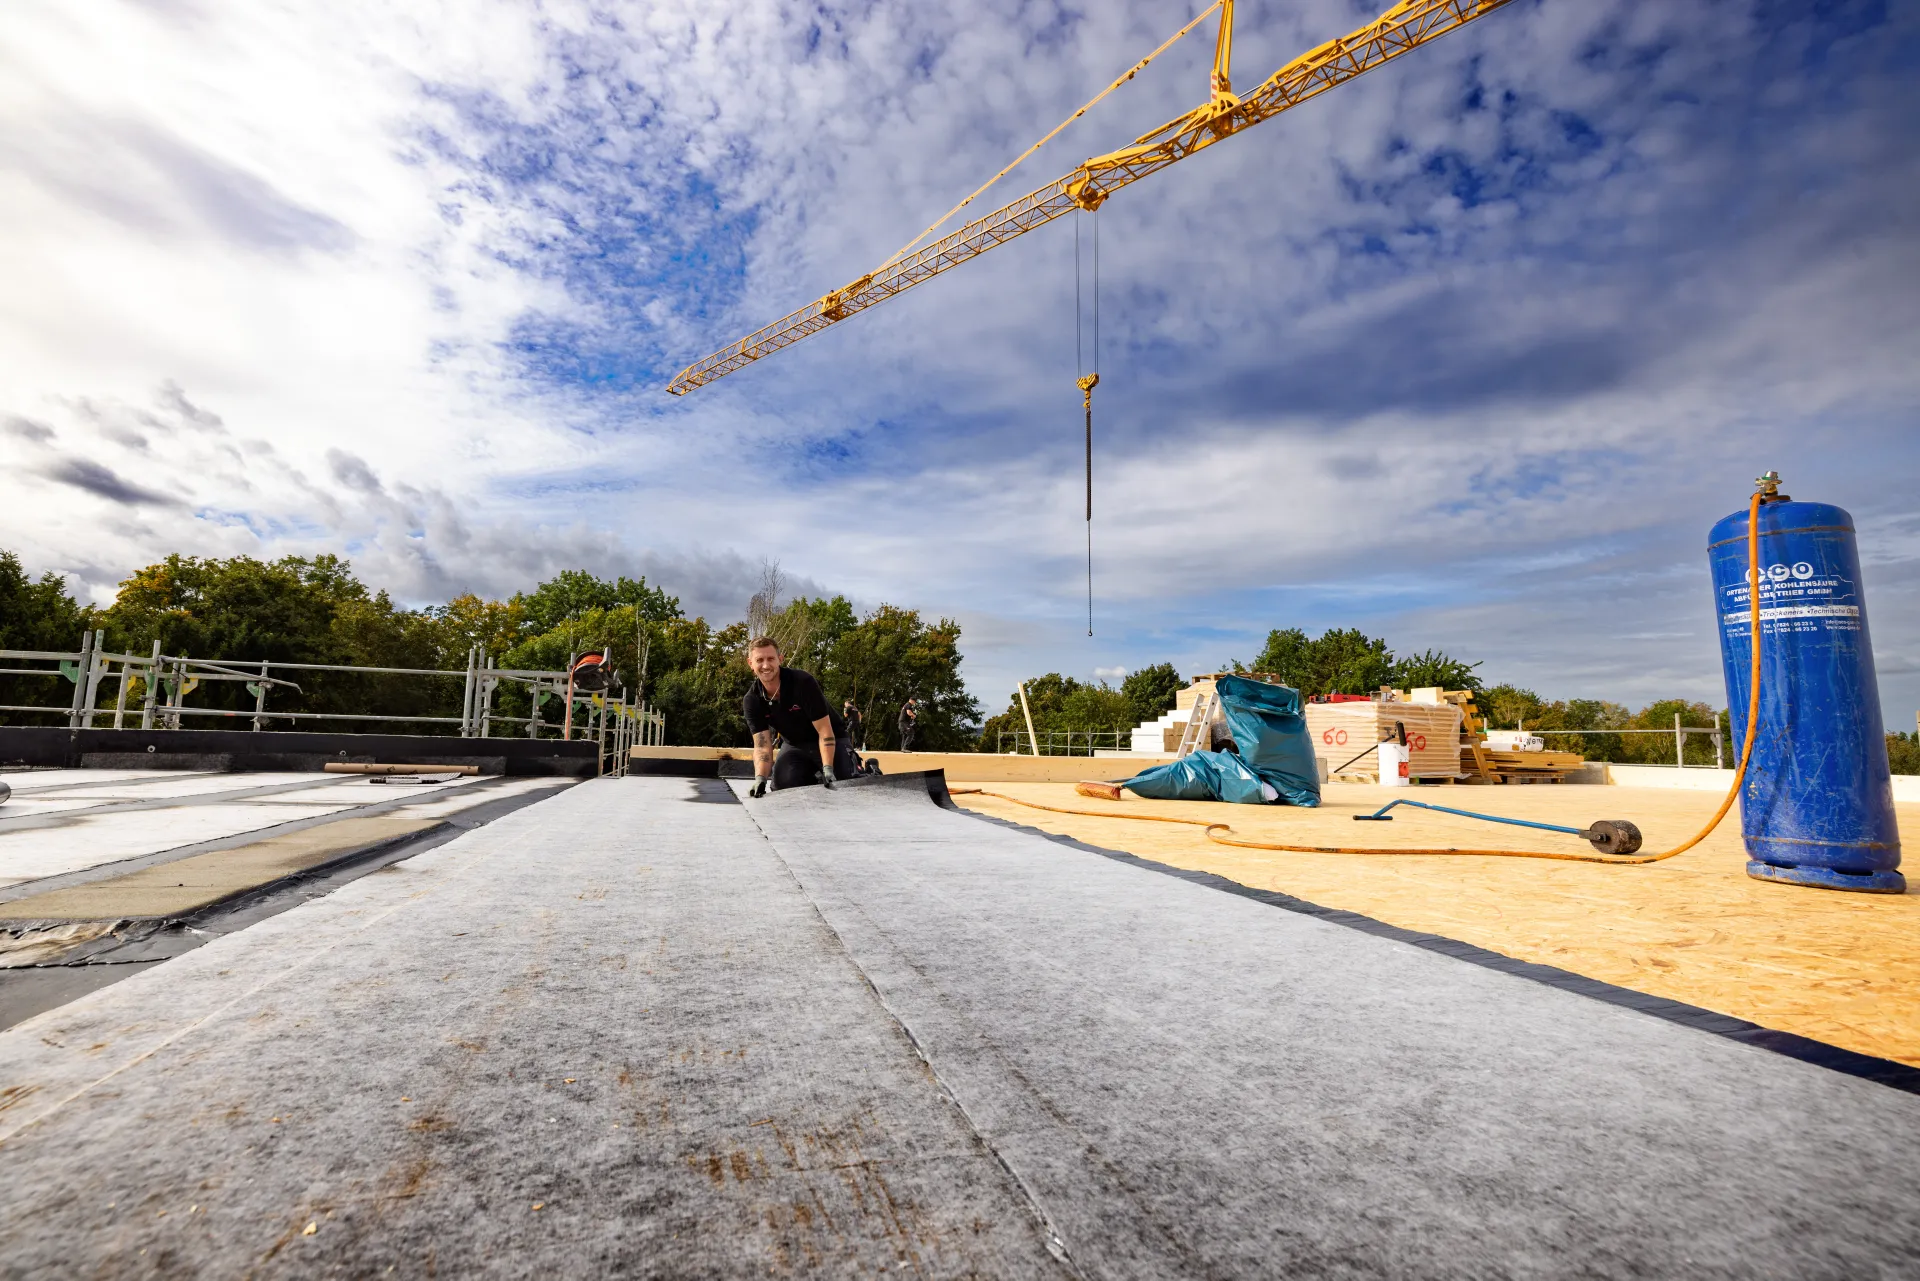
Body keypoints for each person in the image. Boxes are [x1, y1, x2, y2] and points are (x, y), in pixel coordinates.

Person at [743, 636, 860, 796]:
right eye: (759, 660)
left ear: (780, 659)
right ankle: (811, 776)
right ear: (750, 663)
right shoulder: (752, 700)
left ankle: (865, 770)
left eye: (771, 659)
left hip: (832, 738)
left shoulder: (803, 682)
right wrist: (760, 779)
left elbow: (825, 731)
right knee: (783, 786)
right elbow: (762, 744)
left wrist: (828, 768)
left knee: (844, 783)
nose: (765, 665)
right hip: (795, 745)